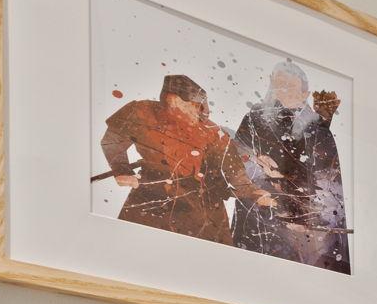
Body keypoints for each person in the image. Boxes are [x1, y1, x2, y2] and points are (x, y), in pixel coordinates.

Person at [97, 74, 270, 244]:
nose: (204, 112)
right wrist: (121, 169)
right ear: (174, 100)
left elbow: (232, 166)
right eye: (197, 105)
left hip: (201, 204)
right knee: (138, 248)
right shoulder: (141, 112)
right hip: (151, 196)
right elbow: (112, 141)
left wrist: (251, 191)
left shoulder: (211, 131)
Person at [231, 60, 351, 273]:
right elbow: (237, 160)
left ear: (305, 93)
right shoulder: (253, 118)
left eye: (290, 86)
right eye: (278, 84)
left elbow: (329, 181)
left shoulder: (318, 128)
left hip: (305, 223)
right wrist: (261, 172)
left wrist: (303, 206)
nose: (282, 91)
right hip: (259, 215)